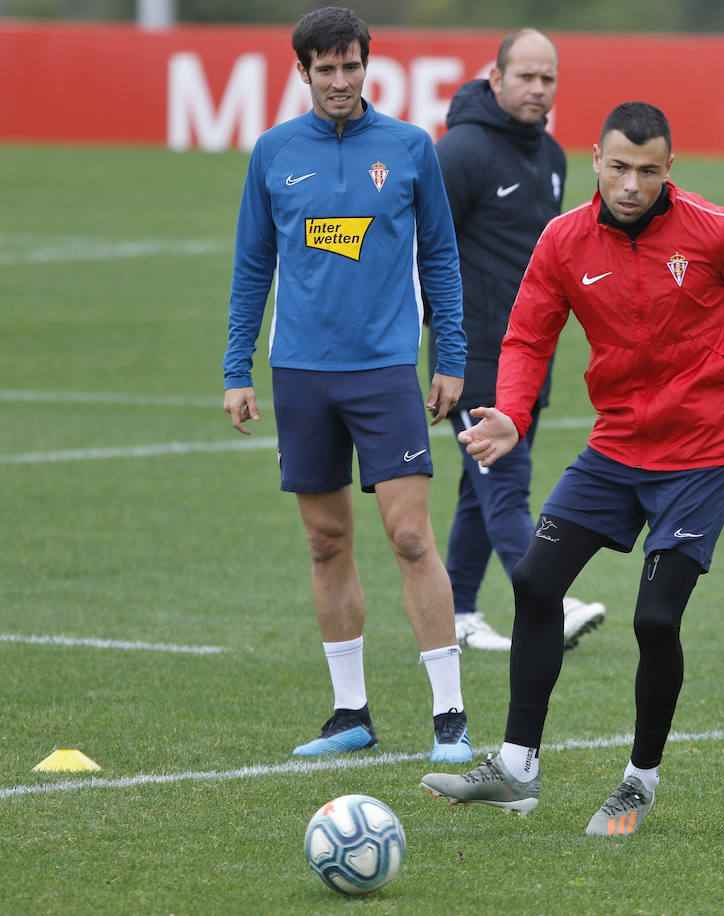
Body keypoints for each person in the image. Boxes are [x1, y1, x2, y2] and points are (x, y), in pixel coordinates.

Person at [421, 101, 724, 835]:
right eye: (618, 167)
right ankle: (516, 767)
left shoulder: (715, 230)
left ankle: (638, 781)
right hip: (617, 447)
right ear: (595, 161)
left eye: (648, 170)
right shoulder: (564, 240)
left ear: (671, 169)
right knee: (536, 581)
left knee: (655, 618)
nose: (631, 184)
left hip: (702, 453)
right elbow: (527, 334)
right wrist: (511, 408)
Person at [222, 7, 473, 764]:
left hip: (385, 372)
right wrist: (238, 369)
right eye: (325, 68)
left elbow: (440, 258)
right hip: (300, 374)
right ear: (302, 72)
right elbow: (250, 269)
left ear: (369, 66)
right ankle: (349, 715)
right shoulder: (272, 153)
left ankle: (451, 719)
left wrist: (450, 356)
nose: (339, 80)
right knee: (326, 542)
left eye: (351, 66)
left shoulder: (408, 148)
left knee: (409, 536)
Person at [426, 27, 604, 653]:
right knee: (504, 477)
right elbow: (422, 253)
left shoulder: (552, 157)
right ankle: (549, 603)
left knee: (481, 488)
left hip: (532, 354)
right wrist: (434, 345)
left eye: (547, 79)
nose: (537, 89)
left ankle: (460, 613)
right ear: (495, 79)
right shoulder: (460, 154)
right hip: (470, 352)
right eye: (525, 76)